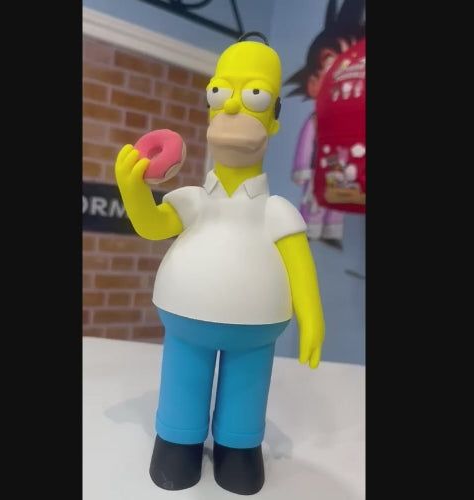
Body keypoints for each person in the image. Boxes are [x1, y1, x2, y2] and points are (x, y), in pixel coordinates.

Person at [114, 32, 324, 495]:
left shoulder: (277, 213)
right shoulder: (192, 199)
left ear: (273, 117)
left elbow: (299, 266)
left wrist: (312, 319)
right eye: (219, 93)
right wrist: (132, 190)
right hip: (185, 322)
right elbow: (152, 225)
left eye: (253, 96)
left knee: (246, 391)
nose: (230, 107)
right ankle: (177, 442)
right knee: (183, 382)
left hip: (256, 331)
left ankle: (239, 448)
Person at [285, 0, 365, 247]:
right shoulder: (315, 121)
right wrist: (302, 170)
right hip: (320, 173)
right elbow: (305, 146)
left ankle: (330, 232)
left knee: (337, 200)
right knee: (315, 201)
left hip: (342, 173)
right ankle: (308, 228)